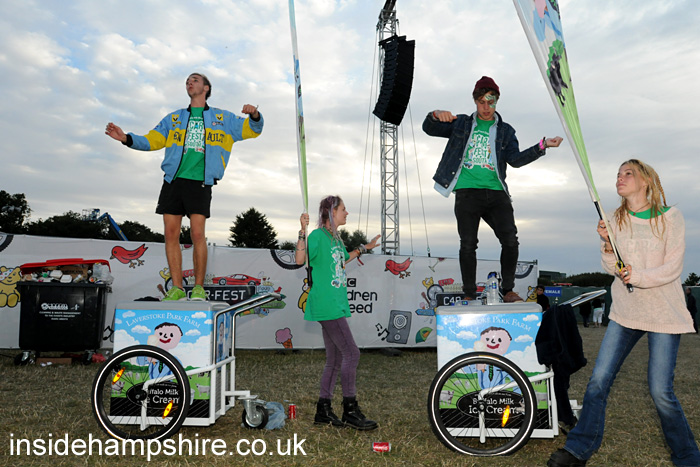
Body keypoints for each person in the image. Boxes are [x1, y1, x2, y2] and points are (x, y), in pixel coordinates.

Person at [548, 159, 700, 467]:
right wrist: (607, 243)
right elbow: (612, 267)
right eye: (618, 174)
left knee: (661, 391)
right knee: (598, 382)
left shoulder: (671, 217)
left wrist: (638, 275)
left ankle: (687, 458)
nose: (621, 178)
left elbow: (673, 267)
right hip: (626, 311)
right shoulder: (614, 219)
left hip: (663, 311)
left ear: (646, 181)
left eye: (628, 173)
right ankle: (577, 450)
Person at [105, 73, 263, 301]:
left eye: (195, 79)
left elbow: (252, 130)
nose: (190, 82)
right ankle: (177, 288)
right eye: (188, 80)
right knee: (171, 234)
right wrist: (126, 138)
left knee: (197, 234)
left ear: (206, 88)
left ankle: (198, 288)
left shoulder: (223, 118)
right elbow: (152, 140)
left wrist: (255, 115)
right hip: (173, 181)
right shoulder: (174, 118)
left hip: (200, 182)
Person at [422, 76, 563, 303]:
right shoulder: (461, 123)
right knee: (468, 243)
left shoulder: (506, 131)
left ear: (497, 101)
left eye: (491, 102)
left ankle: (508, 290)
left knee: (510, 240)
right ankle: (469, 293)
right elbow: (429, 128)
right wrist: (435, 114)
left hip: (496, 193)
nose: (486, 108)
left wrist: (542, 145)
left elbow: (515, 160)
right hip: (467, 192)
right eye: (481, 102)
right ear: (475, 101)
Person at [296, 196, 381, 430]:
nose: (347, 212)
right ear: (332, 211)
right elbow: (300, 259)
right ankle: (350, 410)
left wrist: (364, 248)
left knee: (335, 359)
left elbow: (344, 258)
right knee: (351, 353)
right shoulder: (317, 236)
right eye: (343, 209)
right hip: (327, 304)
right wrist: (302, 230)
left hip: (334, 303)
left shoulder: (334, 239)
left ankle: (323, 410)